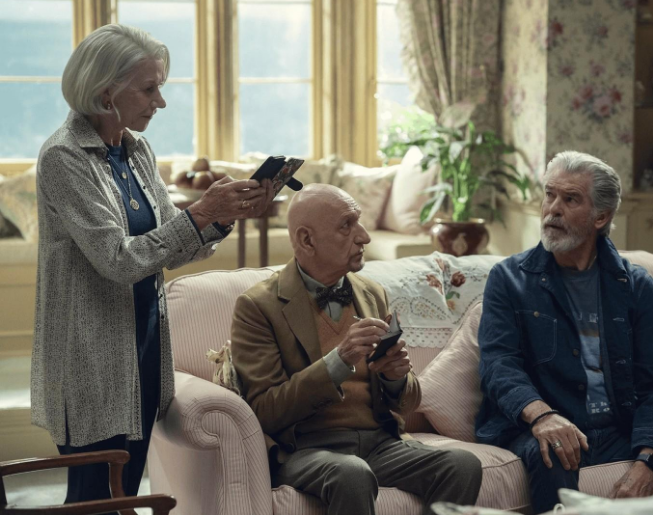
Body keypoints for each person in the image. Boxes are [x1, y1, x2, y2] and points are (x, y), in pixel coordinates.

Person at [31, 24, 273, 506]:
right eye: (148, 89)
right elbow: (119, 260)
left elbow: (172, 246)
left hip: (142, 346)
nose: (160, 102)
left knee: (126, 492)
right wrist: (200, 214)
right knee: (93, 499)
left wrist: (222, 216)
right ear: (106, 92)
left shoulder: (136, 149)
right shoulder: (63, 156)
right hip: (87, 358)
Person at [476, 151, 653, 514]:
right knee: (552, 449)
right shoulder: (509, 279)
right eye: (550, 195)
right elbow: (498, 364)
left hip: (621, 427)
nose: (553, 209)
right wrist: (542, 416)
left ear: (601, 217)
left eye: (570, 199)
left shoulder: (635, 285)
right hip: (551, 425)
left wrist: (647, 461)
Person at [230, 184, 482, 515]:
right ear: (307, 240)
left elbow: (408, 401)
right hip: (306, 449)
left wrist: (395, 377)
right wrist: (339, 359)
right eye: (346, 225)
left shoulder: (372, 293)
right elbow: (266, 410)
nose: (364, 236)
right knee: (351, 474)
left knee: (462, 465)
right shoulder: (257, 306)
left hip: (379, 442)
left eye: (359, 221)